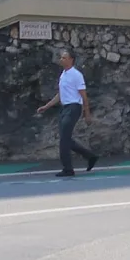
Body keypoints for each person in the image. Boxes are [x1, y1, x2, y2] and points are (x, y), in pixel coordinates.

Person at [36, 48, 99, 178]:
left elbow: (84, 95)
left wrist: (87, 113)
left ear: (71, 60)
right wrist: (46, 106)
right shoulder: (63, 75)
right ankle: (90, 156)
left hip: (74, 107)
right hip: (65, 108)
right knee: (65, 139)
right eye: (61, 57)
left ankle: (68, 169)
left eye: (64, 58)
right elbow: (60, 94)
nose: (61, 59)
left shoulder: (76, 75)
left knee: (64, 140)